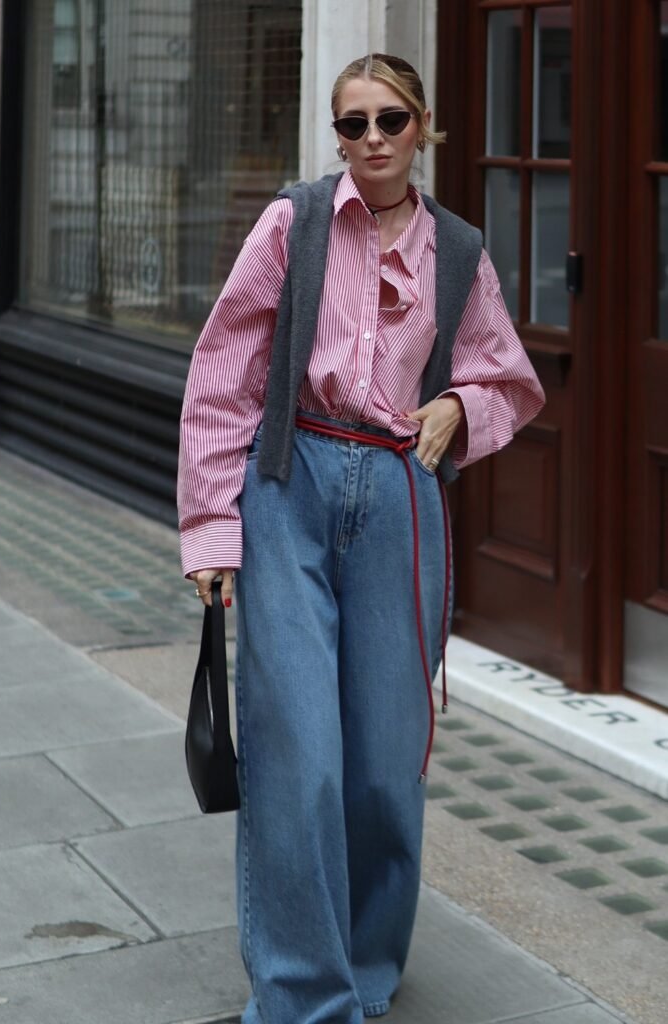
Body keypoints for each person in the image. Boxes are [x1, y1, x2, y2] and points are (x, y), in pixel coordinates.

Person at [178, 52, 545, 1024]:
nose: (371, 139)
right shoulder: (292, 224)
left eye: (389, 120)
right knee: (298, 749)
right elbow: (224, 376)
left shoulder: (457, 249)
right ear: (334, 134)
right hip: (289, 482)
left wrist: (458, 408)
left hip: (397, 498)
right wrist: (212, 527)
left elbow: (506, 376)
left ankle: (368, 966)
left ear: (421, 126)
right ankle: (303, 994)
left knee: (385, 758)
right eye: (352, 124)